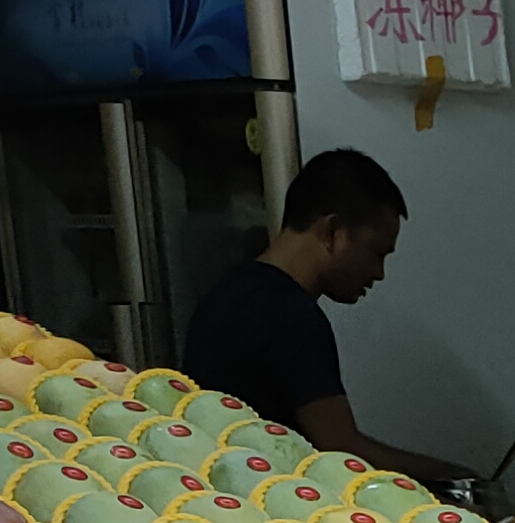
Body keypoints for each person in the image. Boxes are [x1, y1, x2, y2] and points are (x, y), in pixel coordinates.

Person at [180, 149, 480, 492]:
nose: (379, 273)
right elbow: (342, 451)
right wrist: (457, 477)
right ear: (333, 230)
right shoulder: (291, 316)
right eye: (376, 253)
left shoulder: (223, 295)